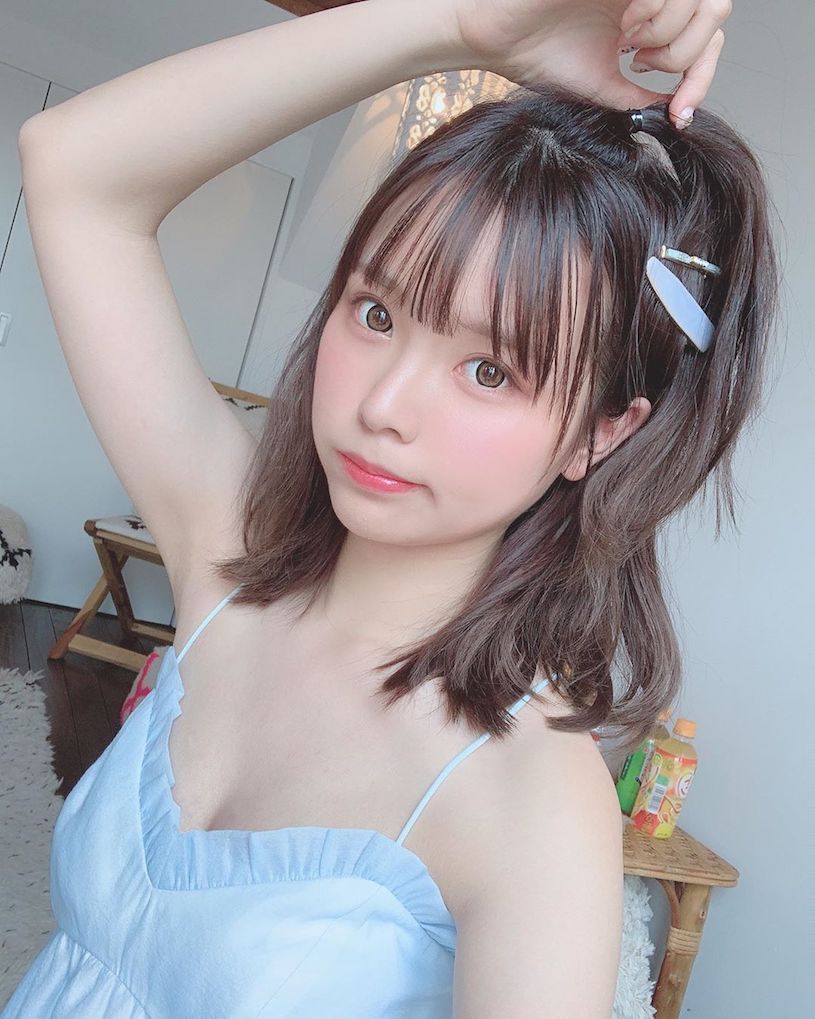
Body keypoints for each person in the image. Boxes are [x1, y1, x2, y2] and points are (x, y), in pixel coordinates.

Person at [6, 0, 776, 1016]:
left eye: (490, 370)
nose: (382, 406)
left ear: (600, 432)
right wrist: (458, 23)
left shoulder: (531, 801)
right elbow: (72, 165)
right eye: (374, 313)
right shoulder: (230, 553)